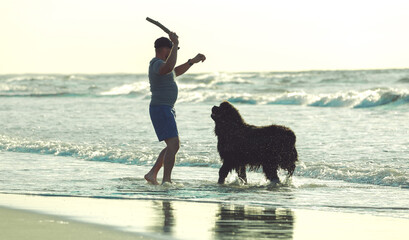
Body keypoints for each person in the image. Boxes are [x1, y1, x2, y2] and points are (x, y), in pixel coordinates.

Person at [144, 32, 206, 185]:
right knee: (174, 145)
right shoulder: (156, 64)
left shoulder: (164, 66)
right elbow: (169, 66)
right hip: (161, 108)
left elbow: (174, 71)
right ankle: (166, 181)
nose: (172, 53)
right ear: (163, 49)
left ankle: (152, 174)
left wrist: (191, 62)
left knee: (171, 145)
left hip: (167, 109)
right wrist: (176, 43)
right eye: (171, 50)